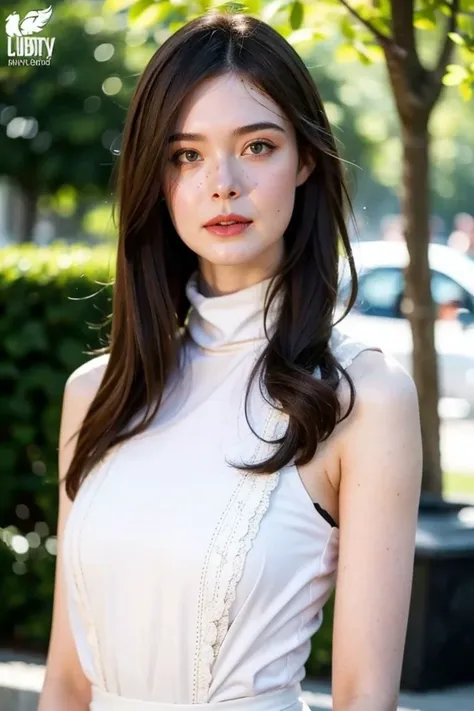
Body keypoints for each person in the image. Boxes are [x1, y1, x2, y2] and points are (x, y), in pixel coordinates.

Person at [38, 11, 423, 711]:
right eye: (185, 154)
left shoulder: (362, 396)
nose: (222, 181)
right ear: (157, 177)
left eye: (256, 145)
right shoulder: (95, 393)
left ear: (305, 158)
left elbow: (366, 696)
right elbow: (67, 681)